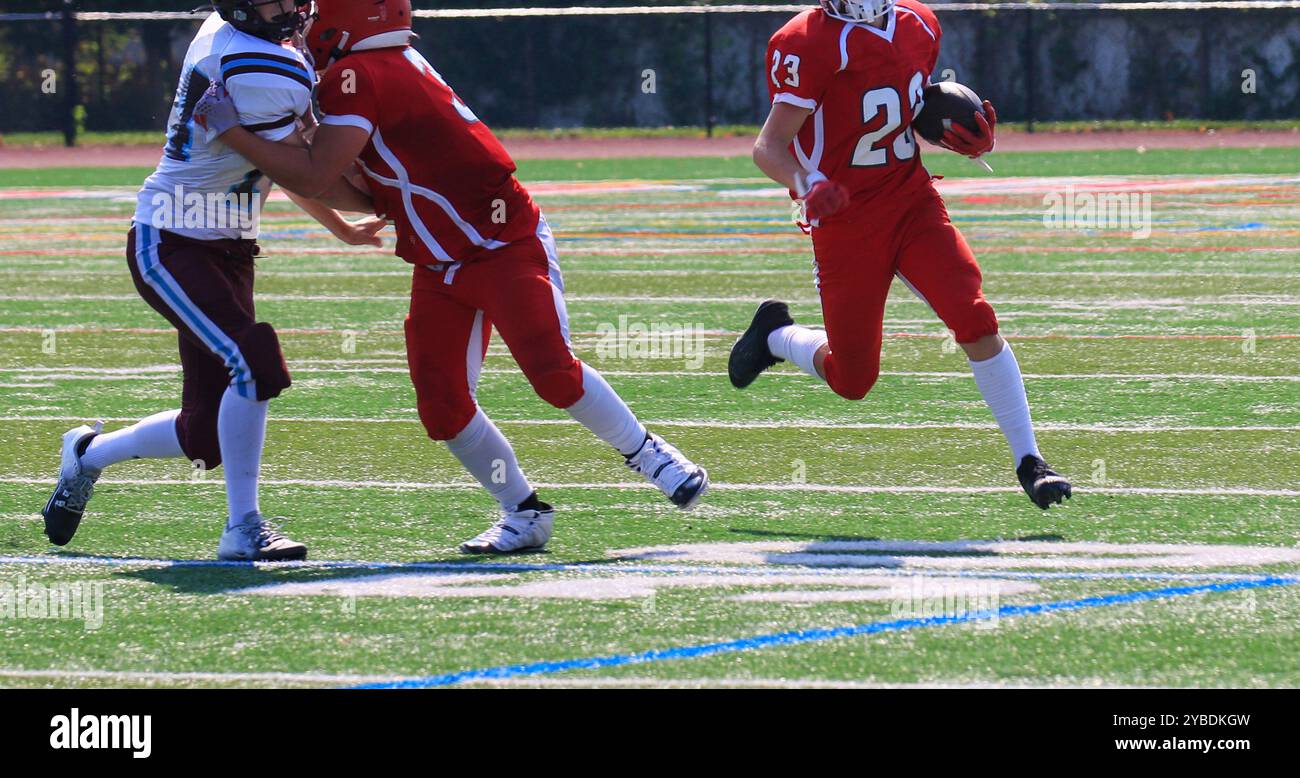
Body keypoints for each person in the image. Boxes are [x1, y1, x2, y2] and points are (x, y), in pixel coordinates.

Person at [191, 0, 709, 554]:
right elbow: (366, 190)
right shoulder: (379, 66)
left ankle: (648, 452)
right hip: (441, 259)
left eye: (316, 11)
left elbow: (318, 176)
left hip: (501, 244)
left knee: (553, 372)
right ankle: (523, 512)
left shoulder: (356, 73)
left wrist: (237, 135)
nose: (306, 20)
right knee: (442, 406)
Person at [41, 0, 385, 560]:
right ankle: (243, 528)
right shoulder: (257, 64)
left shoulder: (238, 38)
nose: (295, 6)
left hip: (229, 247)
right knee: (256, 358)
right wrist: (393, 193)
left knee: (205, 437)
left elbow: (283, 166)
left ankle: (87, 454)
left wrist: (343, 228)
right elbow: (310, 171)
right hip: (172, 240)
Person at [731, 0, 1072, 509]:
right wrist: (808, 182)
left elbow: (905, 108)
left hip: (910, 201)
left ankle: (1031, 462)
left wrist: (953, 125)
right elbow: (769, 146)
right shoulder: (807, 41)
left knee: (974, 316)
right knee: (853, 379)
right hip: (844, 222)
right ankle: (777, 336)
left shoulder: (918, 23)